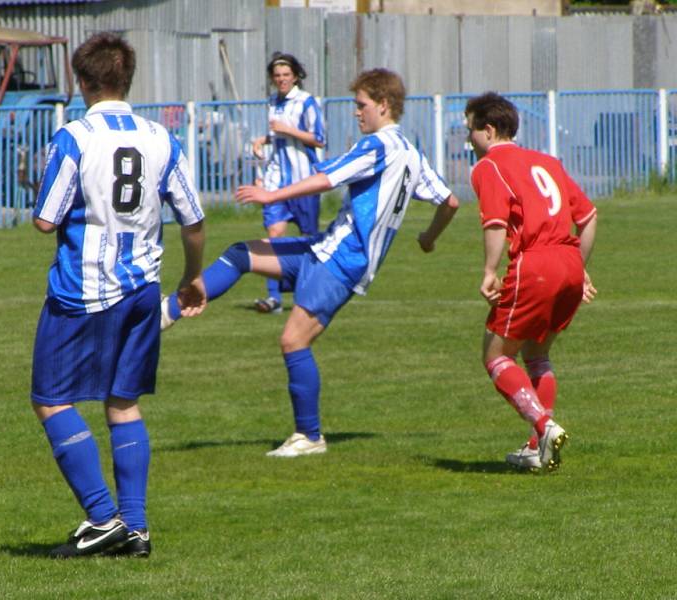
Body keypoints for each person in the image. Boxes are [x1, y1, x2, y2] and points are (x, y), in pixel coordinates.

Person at [162, 68, 459, 457]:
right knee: (241, 253)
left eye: (361, 105)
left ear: (383, 105)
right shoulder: (412, 154)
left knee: (293, 340)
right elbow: (450, 202)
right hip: (324, 247)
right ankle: (165, 313)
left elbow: (326, 179)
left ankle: (309, 436)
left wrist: (272, 197)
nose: (356, 113)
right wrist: (428, 238)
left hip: (341, 260)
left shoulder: (378, 145)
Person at [30, 32, 206, 558]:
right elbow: (193, 219)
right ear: (127, 80)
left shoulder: (74, 137)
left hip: (83, 290)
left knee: (51, 399)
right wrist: (192, 276)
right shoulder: (160, 136)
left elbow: (45, 221)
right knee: (123, 402)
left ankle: (104, 517)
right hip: (142, 290)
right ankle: (136, 526)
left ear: (82, 81)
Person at [464, 92, 598, 473]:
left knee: (495, 355)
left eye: (470, 130)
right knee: (537, 354)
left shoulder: (489, 167)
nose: (469, 140)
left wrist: (490, 271)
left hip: (534, 265)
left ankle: (544, 427)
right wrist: (579, 267)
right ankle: (538, 449)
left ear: (488, 131)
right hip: (568, 263)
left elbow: (495, 223)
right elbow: (588, 217)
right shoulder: (547, 161)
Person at [249, 52, 326, 314]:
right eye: (277, 75)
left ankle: (308, 293)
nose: (281, 79)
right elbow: (278, 136)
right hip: (275, 184)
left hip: (304, 182)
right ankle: (274, 300)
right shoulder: (272, 102)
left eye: (286, 75)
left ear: (295, 76)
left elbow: (318, 138)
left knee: (310, 240)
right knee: (274, 236)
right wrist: (263, 140)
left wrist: (287, 130)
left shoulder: (306, 102)